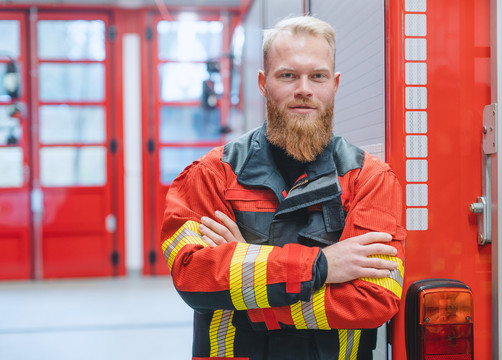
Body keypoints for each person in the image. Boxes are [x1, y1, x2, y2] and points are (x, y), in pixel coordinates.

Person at [161, 15, 406, 360]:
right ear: (263, 83)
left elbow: (374, 300)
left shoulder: (371, 179)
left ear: (334, 84)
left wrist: (247, 283)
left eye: (317, 76)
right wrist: (322, 266)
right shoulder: (212, 174)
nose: (303, 89)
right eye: (288, 75)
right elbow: (194, 277)